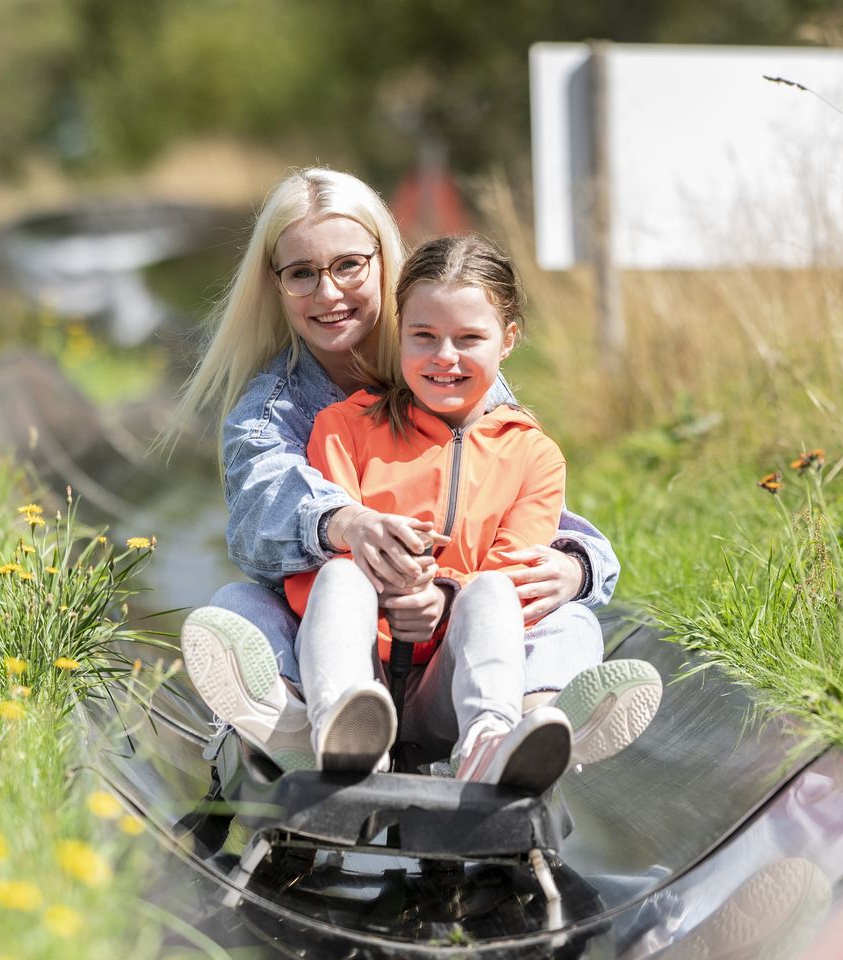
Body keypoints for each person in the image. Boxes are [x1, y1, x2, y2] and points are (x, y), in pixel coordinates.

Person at [171, 168, 659, 776]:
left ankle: (533, 730)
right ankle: (299, 723)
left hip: (455, 646)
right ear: (276, 285)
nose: (328, 294)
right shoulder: (288, 413)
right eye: (302, 273)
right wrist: (346, 526)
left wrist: (579, 562)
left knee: (568, 619)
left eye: (348, 265)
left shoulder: (449, 367)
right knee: (236, 606)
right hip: (340, 638)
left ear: (384, 263)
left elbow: (509, 497)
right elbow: (259, 515)